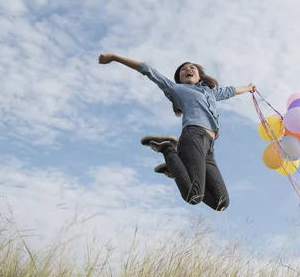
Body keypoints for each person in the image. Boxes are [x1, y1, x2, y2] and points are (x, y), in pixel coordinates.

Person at [98, 53, 256, 211]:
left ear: (200, 75)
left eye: (192, 68)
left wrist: (249, 88)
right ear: (179, 78)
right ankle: (167, 148)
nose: (188, 69)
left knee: (220, 202)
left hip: (209, 147)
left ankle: (176, 167)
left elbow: (231, 91)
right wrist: (114, 57)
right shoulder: (177, 89)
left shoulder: (211, 93)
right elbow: (147, 70)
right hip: (193, 136)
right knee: (193, 196)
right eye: (183, 70)